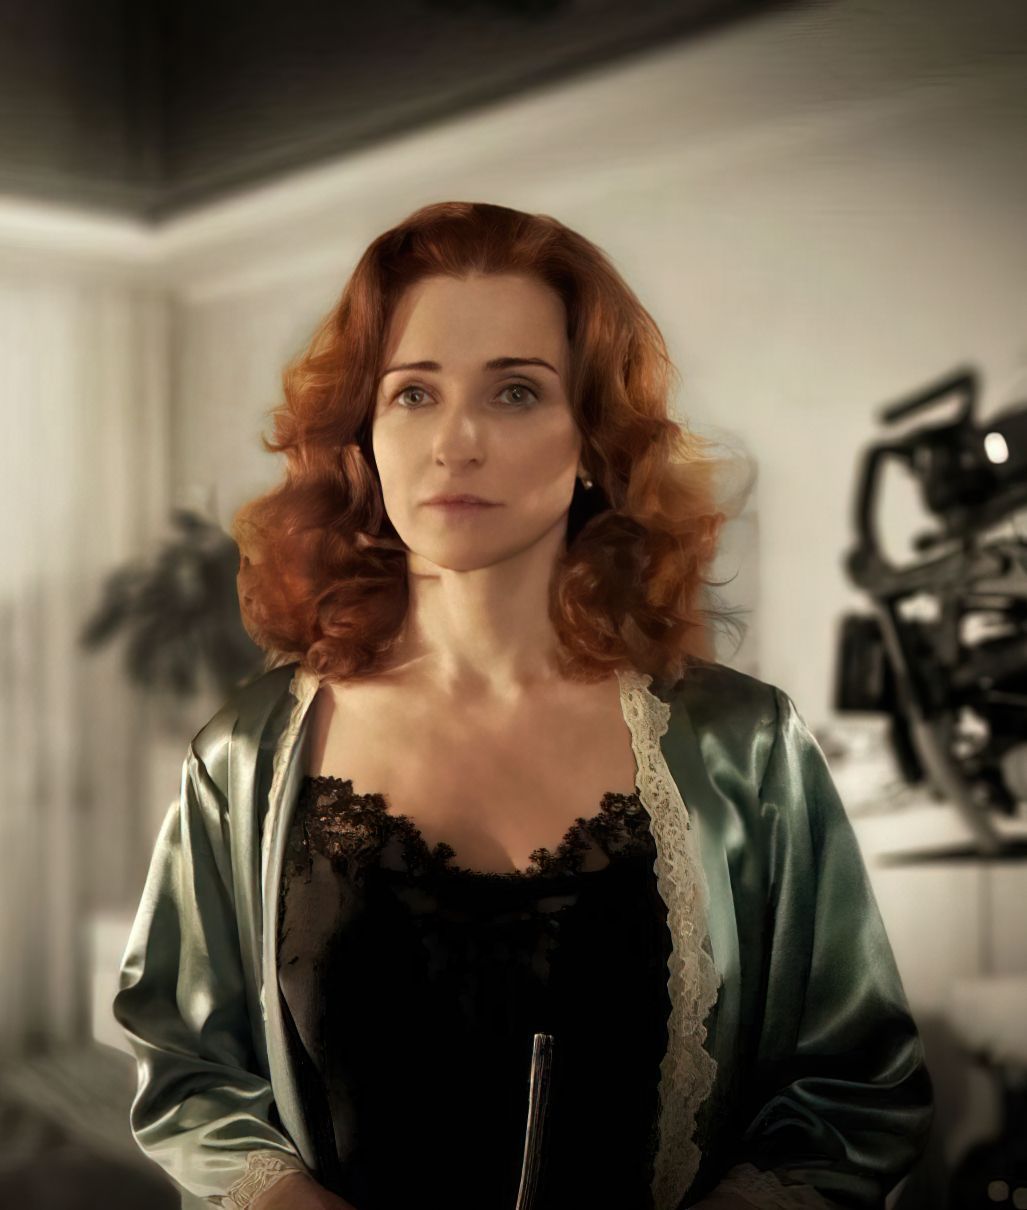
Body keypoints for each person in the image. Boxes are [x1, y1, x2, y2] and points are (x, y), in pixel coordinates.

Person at [113, 201, 933, 1210]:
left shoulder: (747, 746)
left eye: (514, 391)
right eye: (414, 393)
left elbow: (856, 1089)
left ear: (590, 438)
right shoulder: (244, 758)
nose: (455, 441)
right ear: (363, 436)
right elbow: (187, 1067)